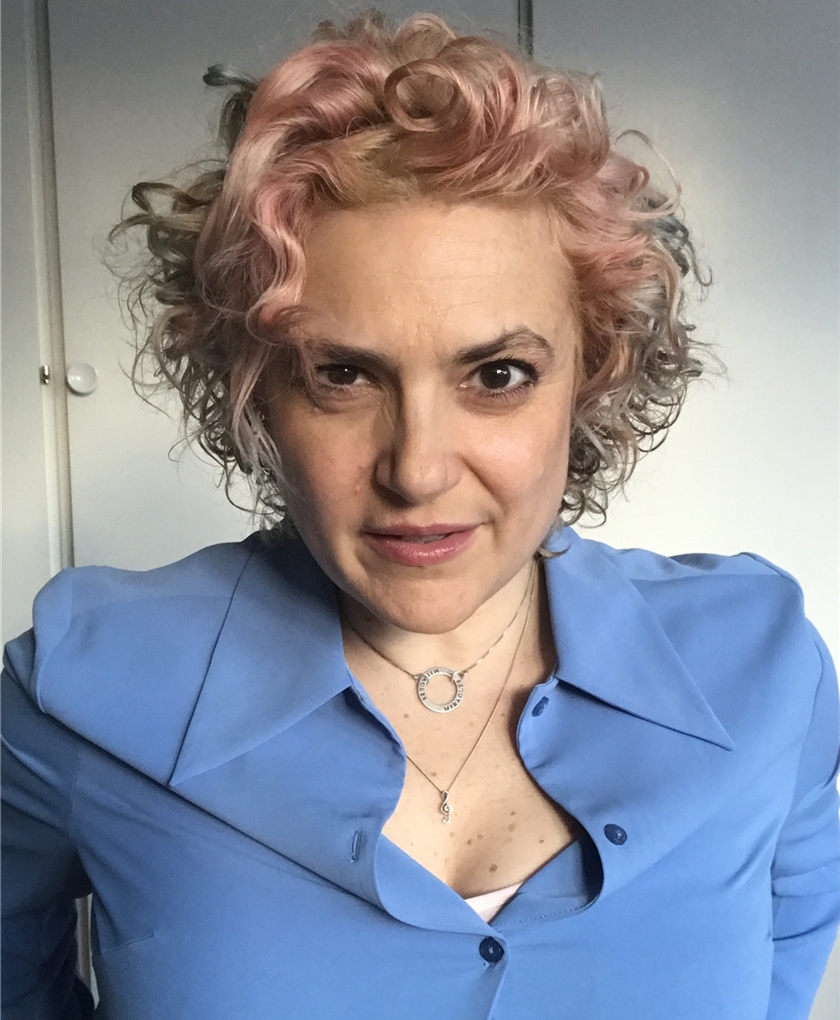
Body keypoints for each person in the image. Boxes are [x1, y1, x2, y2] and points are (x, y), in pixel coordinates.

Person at [2, 10, 838, 1020]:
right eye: (343, 375)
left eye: (499, 374)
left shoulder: (762, 673)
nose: (418, 469)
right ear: (256, 390)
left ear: (593, 374)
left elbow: (794, 935)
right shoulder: (81, 691)